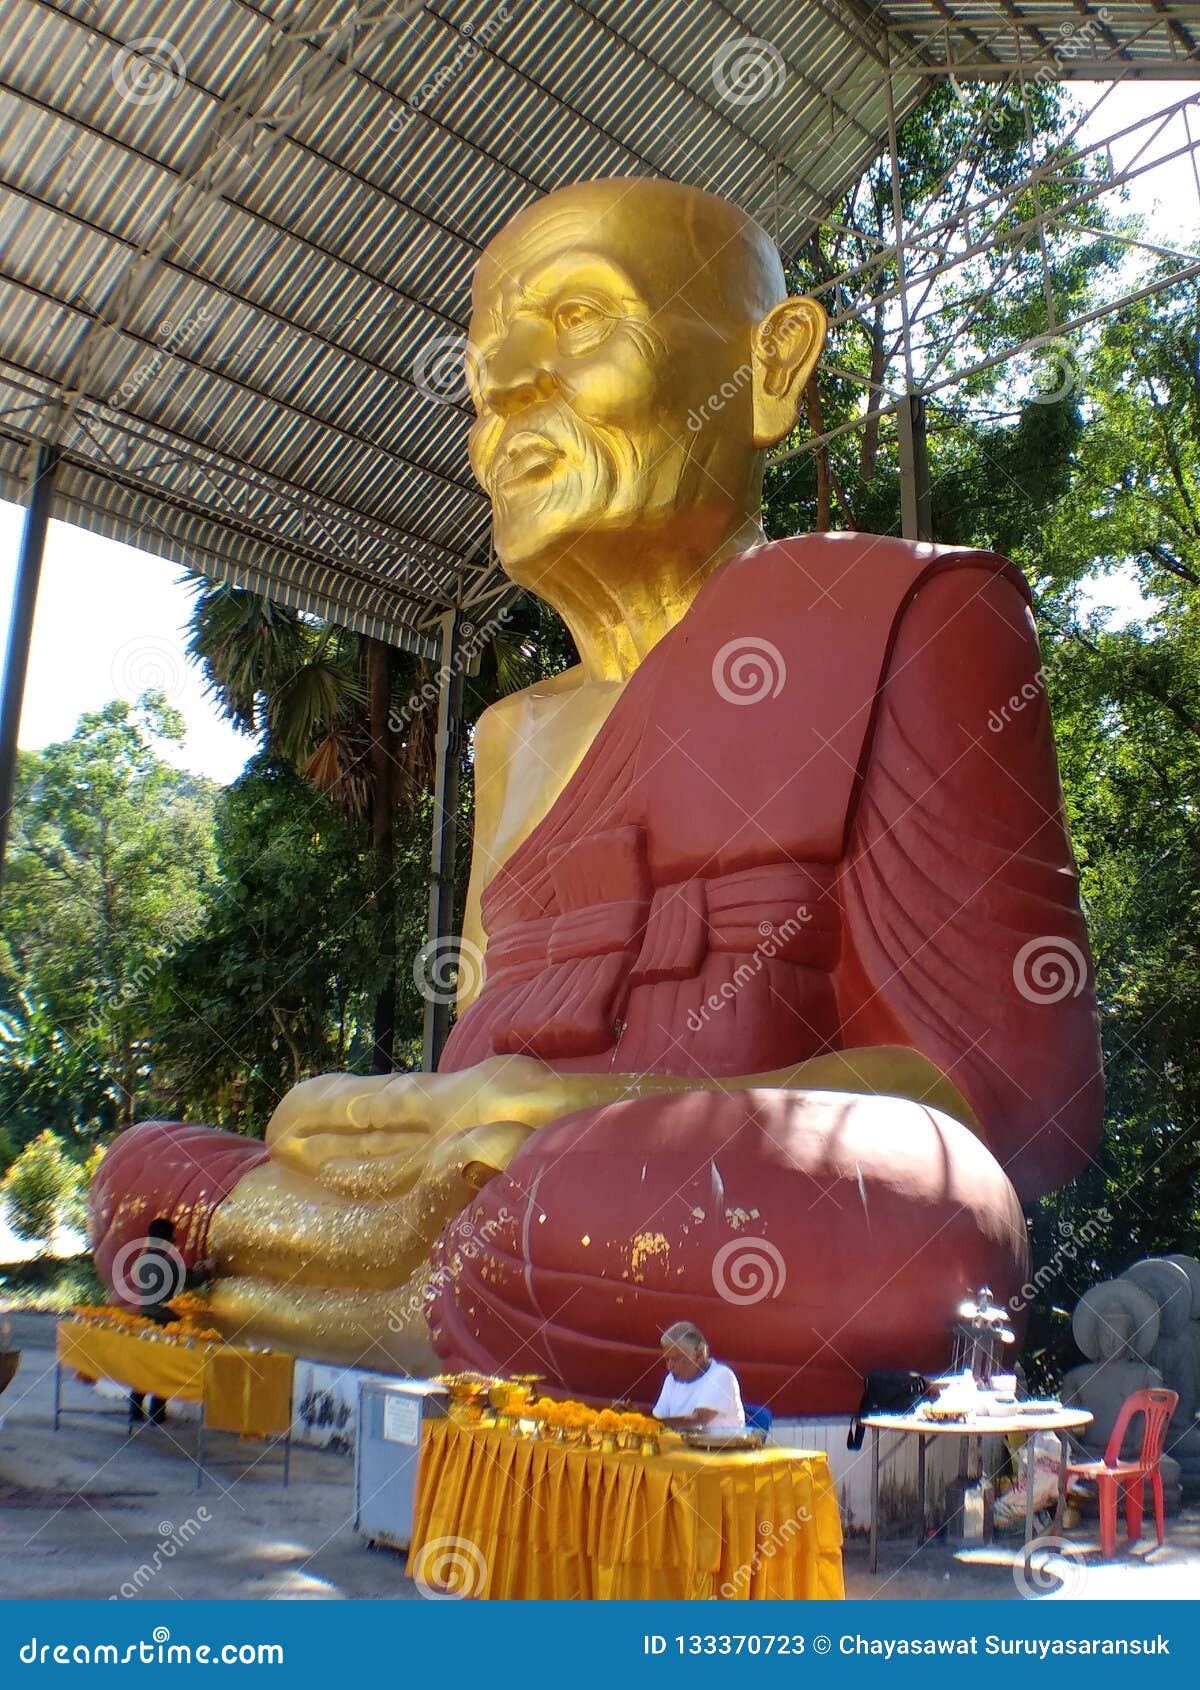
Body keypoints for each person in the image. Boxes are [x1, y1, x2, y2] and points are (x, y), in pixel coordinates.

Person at [91, 177, 1101, 1411]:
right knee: (147, 1170)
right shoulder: (510, 735)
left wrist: (586, 1108)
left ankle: (313, 1296)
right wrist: (372, 1111)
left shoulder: (907, 620)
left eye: (576, 318)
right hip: (506, 1199)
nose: (507, 390)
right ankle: (440, 1295)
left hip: (677, 1195)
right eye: (484, 370)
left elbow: (998, 1102)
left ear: (772, 365)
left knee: (892, 1212)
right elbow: (471, 1078)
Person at [126, 1218, 213, 1427]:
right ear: (167, 1238)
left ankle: (135, 1409)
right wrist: (207, 1269)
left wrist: (193, 1270)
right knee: (162, 1368)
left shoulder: (144, 1260)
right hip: (166, 1323)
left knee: (146, 1365)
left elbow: (179, 1276)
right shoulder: (167, 1263)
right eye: (172, 1237)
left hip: (146, 1320)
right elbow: (191, 1280)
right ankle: (157, 1413)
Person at [652, 1322, 745, 1433]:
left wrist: (650, 1422)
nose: (669, 1366)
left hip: (721, 1444)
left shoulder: (722, 1375)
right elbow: (658, 1418)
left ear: (698, 1355)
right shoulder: (671, 1379)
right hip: (681, 1443)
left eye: (675, 1359)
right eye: (667, 1359)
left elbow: (697, 1422)